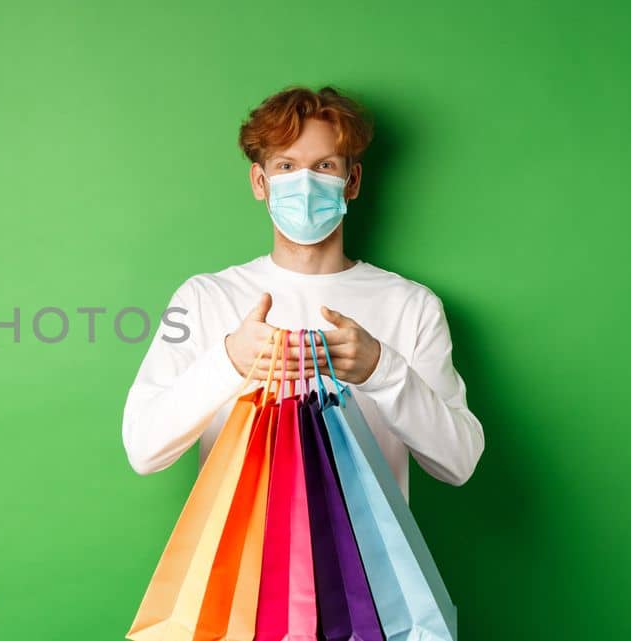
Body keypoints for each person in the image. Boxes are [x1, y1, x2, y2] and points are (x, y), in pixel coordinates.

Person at [120, 86, 483, 499]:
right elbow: (142, 448)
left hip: (369, 562)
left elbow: (459, 463)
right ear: (261, 182)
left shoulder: (410, 306)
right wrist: (230, 360)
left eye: (324, 165)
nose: (305, 184)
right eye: (286, 166)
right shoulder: (203, 298)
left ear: (352, 181)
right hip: (242, 563)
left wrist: (381, 369)